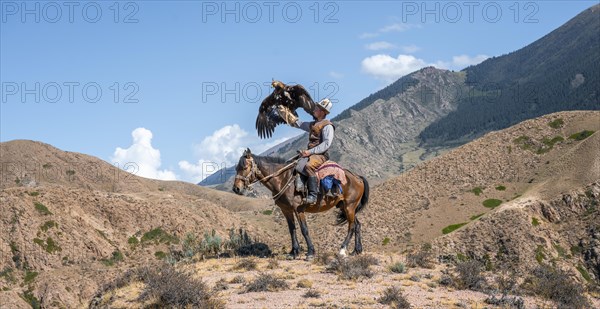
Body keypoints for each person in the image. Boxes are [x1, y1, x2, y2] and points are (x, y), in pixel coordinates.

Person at [292, 98, 334, 204]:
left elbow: (326, 144)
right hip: (311, 153)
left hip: (321, 155)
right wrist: (288, 116)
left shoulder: (328, 126)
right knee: (294, 163)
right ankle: (300, 188)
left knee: (309, 166)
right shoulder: (313, 124)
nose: (314, 110)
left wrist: (310, 152)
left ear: (322, 112)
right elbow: (300, 124)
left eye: (317, 108)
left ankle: (313, 195)